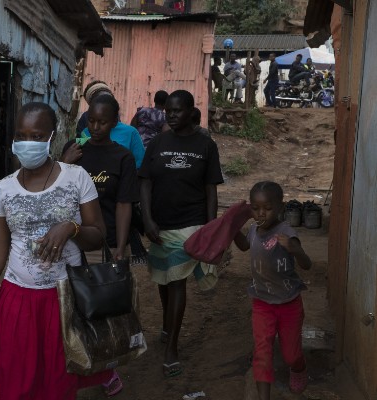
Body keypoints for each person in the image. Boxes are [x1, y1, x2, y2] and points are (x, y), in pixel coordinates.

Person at [0, 102, 123, 399]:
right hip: (17, 300)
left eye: (36, 136)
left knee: (58, 386)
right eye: (21, 135)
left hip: (66, 300)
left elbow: (98, 236)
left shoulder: (76, 178)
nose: (28, 142)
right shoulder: (4, 189)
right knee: (16, 385)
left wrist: (69, 228)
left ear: (51, 136)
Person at [139, 90, 223, 378]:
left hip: (191, 225)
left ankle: (171, 346)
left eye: (177, 111)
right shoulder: (158, 143)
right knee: (163, 278)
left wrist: (211, 229)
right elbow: (146, 183)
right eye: (168, 111)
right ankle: (167, 324)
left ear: (190, 111)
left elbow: (211, 188)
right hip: (160, 226)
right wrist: (147, 219)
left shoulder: (206, 145)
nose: (171, 115)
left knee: (176, 282)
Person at [233, 181, 312, 399]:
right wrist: (231, 229)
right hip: (261, 303)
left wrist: (295, 249)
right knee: (262, 354)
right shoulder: (254, 229)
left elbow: (307, 265)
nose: (261, 214)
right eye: (256, 208)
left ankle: (298, 368)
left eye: (267, 209)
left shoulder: (286, 232)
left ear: (281, 206)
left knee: (291, 354)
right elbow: (243, 245)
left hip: (289, 303)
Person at [63, 95, 139, 261]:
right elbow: (57, 190)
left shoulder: (123, 157)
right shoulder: (74, 148)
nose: (95, 127)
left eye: (102, 122)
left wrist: (120, 246)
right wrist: (64, 163)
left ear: (114, 122)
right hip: (71, 242)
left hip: (107, 243)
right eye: (91, 120)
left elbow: (124, 204)